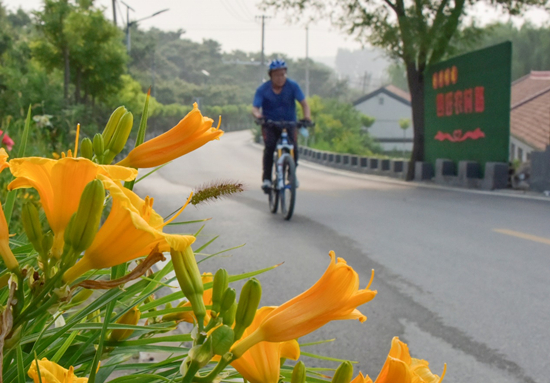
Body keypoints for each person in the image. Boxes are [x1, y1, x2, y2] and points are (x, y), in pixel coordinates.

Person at [252, 59, 311, 192]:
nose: (280, 78)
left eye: (283, 75)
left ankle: (291, 174)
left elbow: (304, 104)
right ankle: (267, 179)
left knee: (294, 148)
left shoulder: (293, 86)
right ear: (271, 76)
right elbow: (255, 108)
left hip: (290, 123)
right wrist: (259, 116)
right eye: (277, 75)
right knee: (269, 147)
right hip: (270, 124)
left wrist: (306, 118)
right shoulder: (263, 89)